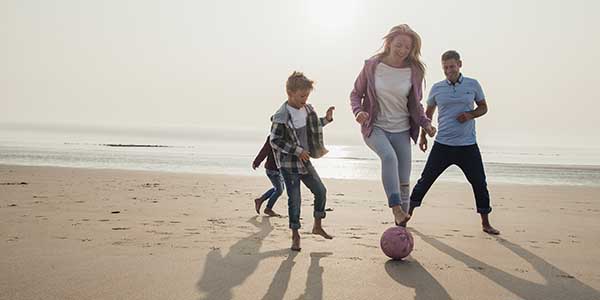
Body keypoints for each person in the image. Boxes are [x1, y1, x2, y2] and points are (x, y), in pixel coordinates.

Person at [350, 24, 436, 226]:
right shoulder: (372, 66)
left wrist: (426, 124)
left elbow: (416, 105)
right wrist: (358, 112)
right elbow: (356, 93)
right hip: (375, 127)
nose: (403, 50)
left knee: (404, 182)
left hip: (402, 130)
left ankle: (402, 227)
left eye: (408, 47)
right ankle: (396, 209)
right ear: (389, 43)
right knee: (388, 157)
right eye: (399, 45)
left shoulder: (414, 71)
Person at [409, 50, 500, 235]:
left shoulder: (472, 85)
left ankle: (485, 223)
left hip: (468, 146)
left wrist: (470, 115)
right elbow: (428, 114)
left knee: (479, 183)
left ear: (460, 64)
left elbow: (484, 108)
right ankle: (406, 215)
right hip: (443, 145)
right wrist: (423, 135)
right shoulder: (437, 88)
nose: (449, 70)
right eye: (445, 67)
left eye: (452, 66)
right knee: (425, 180)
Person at [270, 71, 335, 251]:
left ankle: (317, 225)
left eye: (307, 95)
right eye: (301, 96)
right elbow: (274, 140)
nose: (304, 99)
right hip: (289, 165)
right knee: (295, 199)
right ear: (290, 93)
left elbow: (312, 127)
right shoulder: (281, 115)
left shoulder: (307, 109)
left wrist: (327, 119)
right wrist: (297, 150)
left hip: (305, 162)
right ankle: (295, 235)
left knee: (321, 191)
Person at [252, 136, 283, 217]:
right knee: (279, 190)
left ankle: (260, 200)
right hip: (272, 169)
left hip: (281, 170)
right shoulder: (272, 138)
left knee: (278, 188)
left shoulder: (287, 137)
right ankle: (268, 209)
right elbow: (264, 151)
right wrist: (256, 162)